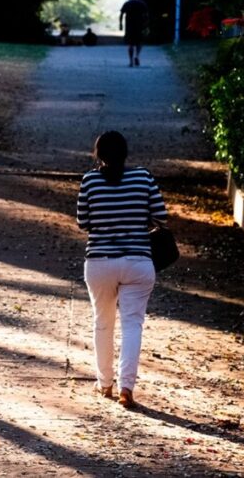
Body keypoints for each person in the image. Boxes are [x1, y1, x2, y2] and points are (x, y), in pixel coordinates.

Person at [76, 131, 167, 409]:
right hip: (138, 262)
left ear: (98, 155)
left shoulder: (90, 180)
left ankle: (105, 384)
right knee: (132, 324)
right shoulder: (143, 177)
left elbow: (83, 222)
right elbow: (161, 217)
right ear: (125, 153)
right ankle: (126, 388)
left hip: (100, 263)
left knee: (103, 323)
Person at [119, 0, 149, 67]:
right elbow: (146, 15)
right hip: (140, 25)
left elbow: (121, 14)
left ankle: (131, 61)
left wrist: (120, 24)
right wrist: (146, 25)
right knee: (139, 42)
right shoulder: (142, 3)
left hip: (129, 26)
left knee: (130, 44)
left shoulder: (127, 3)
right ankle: (137, 56)